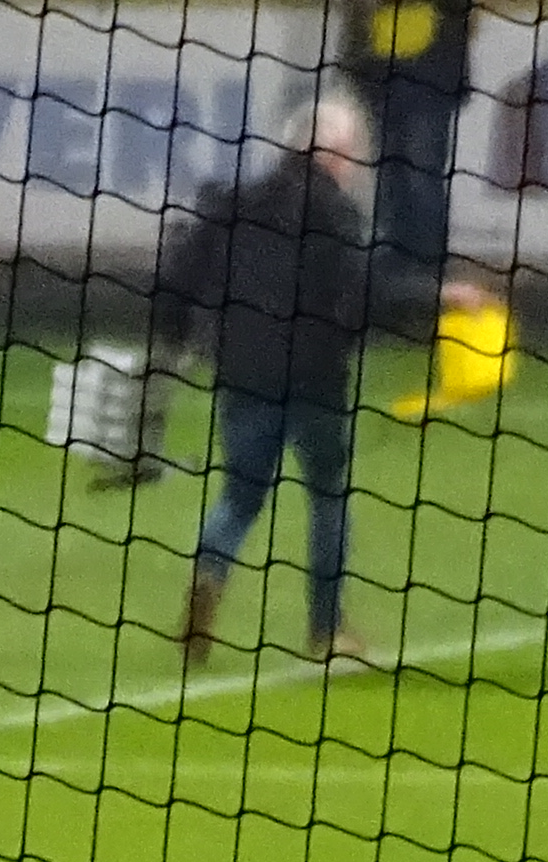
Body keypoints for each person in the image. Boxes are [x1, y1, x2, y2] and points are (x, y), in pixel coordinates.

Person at [151, 90, 387, 670]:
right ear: (334, 153)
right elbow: (359, 295)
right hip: (314, 377)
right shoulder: (335, 214)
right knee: (329, 497)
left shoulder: (233, 202)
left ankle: (208, 579)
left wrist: (177, 345)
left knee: (240, 496)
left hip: (242, 372)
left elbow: (177, 276)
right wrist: (430, 305)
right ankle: (327, 629)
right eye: (351, 152)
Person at [336, 0, 472, 303]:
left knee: (421, 175)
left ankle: (426, 270)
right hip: (378, 70)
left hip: (430, 71)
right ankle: (397, 271)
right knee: (390, 175)